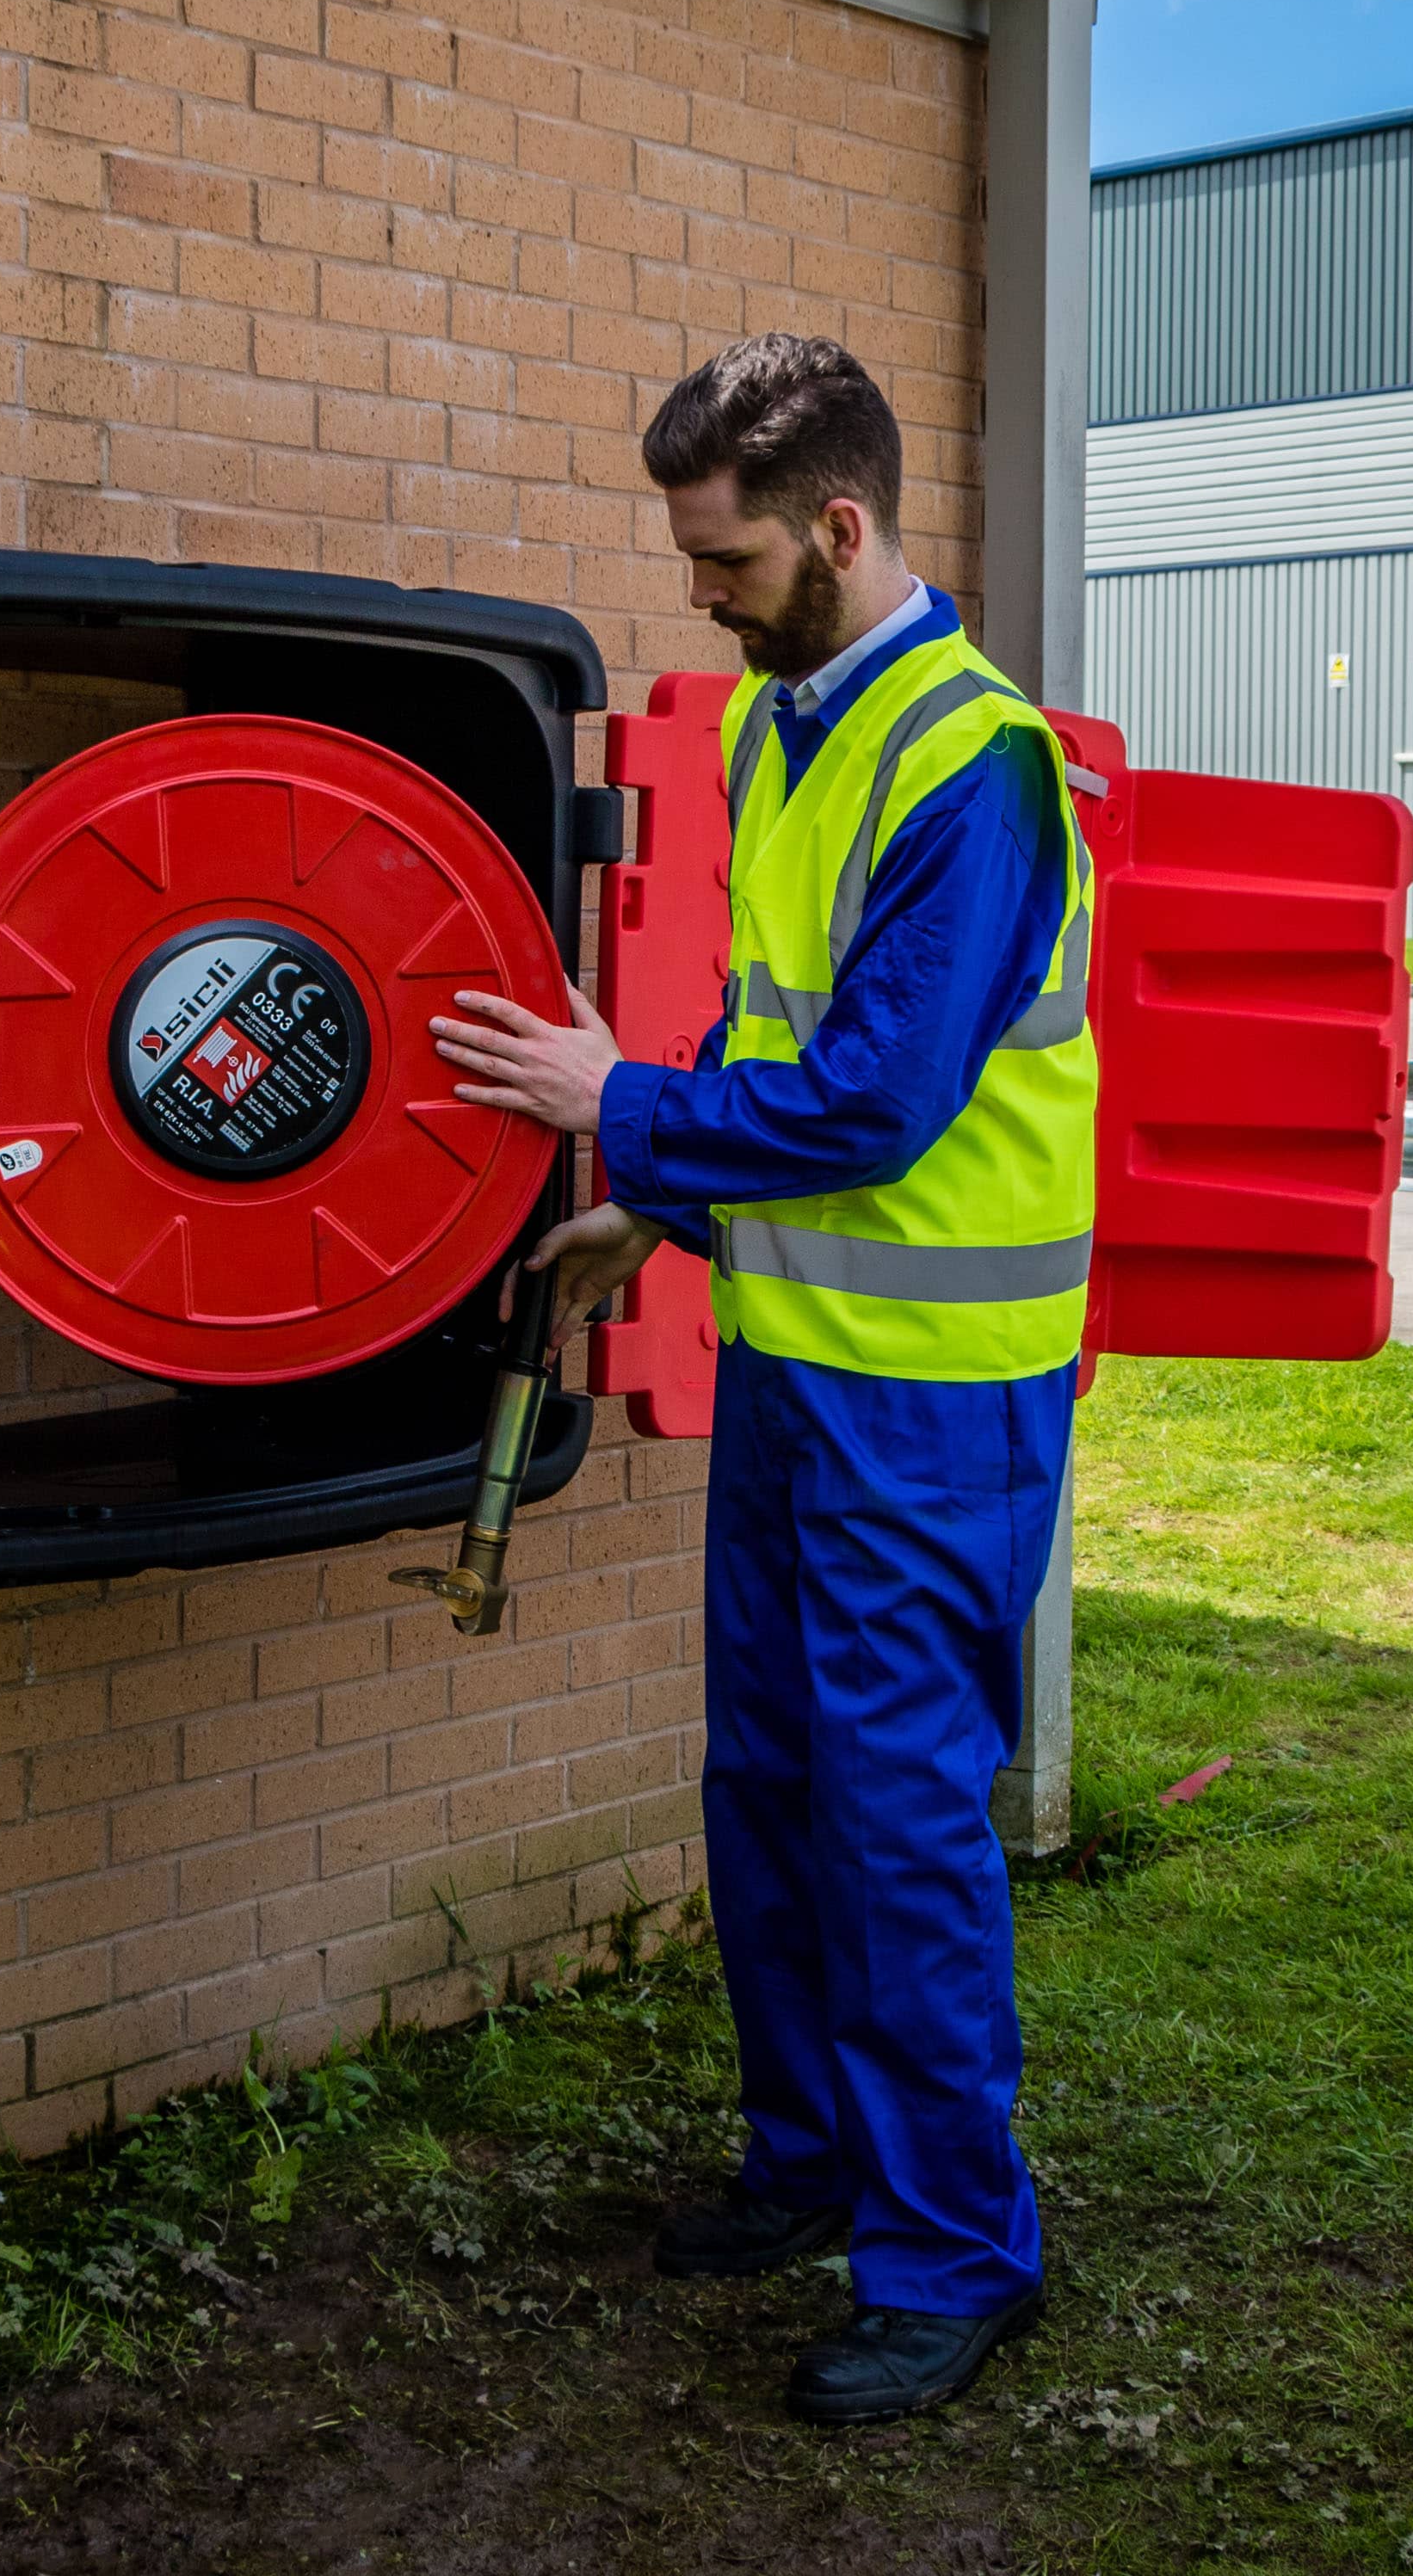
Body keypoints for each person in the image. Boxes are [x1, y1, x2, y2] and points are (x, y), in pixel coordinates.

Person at [430, 331, 1094, 2425]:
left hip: (936, 1397)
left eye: (723, 561)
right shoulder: (780, 726)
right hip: (795, 1364)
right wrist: (661, 1206)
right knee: (775, 1789)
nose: (698, 596)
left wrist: (614, 1109)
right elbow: (774, 1029)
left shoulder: (970, 763)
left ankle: (955, 2255)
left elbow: (880, 1097)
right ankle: (813, 2162)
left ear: (838, 525)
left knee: (892, 1822)